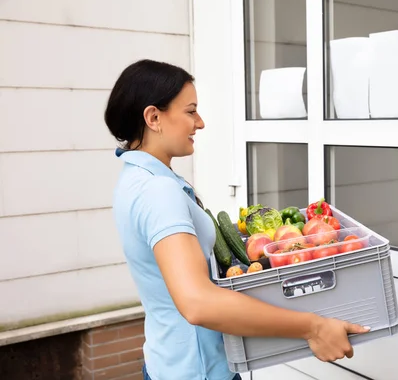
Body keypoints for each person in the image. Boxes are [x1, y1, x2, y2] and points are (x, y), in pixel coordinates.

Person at [104, 59, 370, 380]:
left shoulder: (135, 178)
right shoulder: (157, 191)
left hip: (171, 363)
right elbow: (197, 303)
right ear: (154, 117)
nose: (199, 123)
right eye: (190, 111)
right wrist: (312, 327)